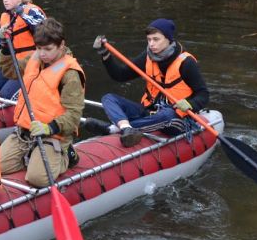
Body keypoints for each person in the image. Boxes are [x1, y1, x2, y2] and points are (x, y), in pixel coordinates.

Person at [86, 18, 209, 147]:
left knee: (167, 114)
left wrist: (190, 104)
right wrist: (105, 55)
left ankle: (113, 129)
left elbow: (203, 94)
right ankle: (125, 128)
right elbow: (120, 75)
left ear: (168, 39)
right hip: (149, 111)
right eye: (149, 40)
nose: (151, 44)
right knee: (108, 98)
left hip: (176, 118)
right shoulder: (147, 56)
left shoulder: (186, 63)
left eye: (156, 39)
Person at [0, 18, 85, 187]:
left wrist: (48, 127)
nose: (42, 53)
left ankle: (67, 155)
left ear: (61, 45)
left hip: (52, 134)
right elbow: (10, 70)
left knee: (37, 179)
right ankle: (31, 155)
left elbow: (74, 115)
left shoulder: (71, 74)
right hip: (26, 132)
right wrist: (5, 47)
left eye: (48, 49)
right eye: (39, 48)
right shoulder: (35, 58)